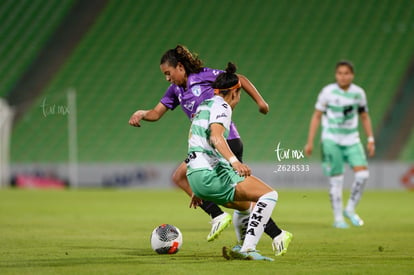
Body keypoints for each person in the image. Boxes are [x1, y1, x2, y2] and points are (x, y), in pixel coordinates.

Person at [129, 45, 292, 255]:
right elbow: (156, 113)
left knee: (235, 198)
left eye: (168, 73)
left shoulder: (204, 76)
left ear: (180, 67)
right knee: (230, 198)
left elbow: (237, 78)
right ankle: (261, 233)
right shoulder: (175, 90)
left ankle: (233, 224)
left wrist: (260, 102)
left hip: (225, 142)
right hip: (206, 147)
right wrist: (143, 113)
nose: (167, 79)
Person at [186, 62, 286, 261]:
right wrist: (234, 162)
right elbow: (216, 137)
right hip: (208, 175)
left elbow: (197, 143)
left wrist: (197, 188)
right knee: (268, 195)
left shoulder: (203, 106)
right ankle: (248, 249)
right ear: (235, 92)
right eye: (239, 95)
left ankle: (242, 246)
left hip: (195, 177)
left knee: (243, 205)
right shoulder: (222, 106)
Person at [304, 60, 375, 228]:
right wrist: (310, 141)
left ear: (352, 75)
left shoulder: (359, 93)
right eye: (340, 73)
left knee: (363, 175)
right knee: (337, 179)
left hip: (352, 139)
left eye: (346, 73)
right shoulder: (327, 92)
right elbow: (316, 116)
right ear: (336, 75)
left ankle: (349, 209)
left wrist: (370, 139)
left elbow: (364, 116)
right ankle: (338, 218)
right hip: (331, 139)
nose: (343, 76)